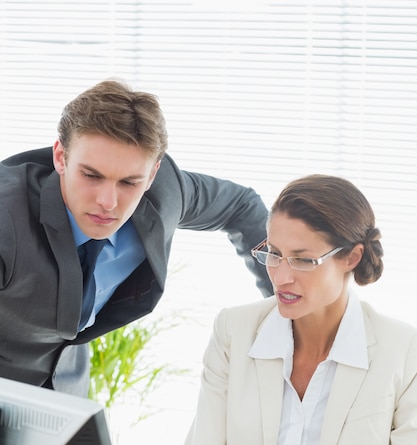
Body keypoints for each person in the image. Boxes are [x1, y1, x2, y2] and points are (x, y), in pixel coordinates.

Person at [176, 173, 417, 445]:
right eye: (273, 253)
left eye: (303, 260)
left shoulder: (401, 351)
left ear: (351, 257)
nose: (281, 276)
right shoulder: (235, 329)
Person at [0, 79, 272, 395]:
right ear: (60, 157)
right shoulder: (7, 218)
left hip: (66, 391)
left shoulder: (166, 193)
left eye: (129, 182)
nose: (108, 202)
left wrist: (285, 311)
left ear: (153, 174)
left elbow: (242, 207)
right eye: (91, 175)